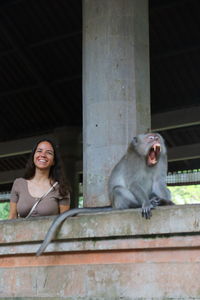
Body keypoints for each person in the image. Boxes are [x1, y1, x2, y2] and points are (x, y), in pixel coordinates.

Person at [9, 139, 71, 219]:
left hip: (49, 231)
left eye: (49, 153)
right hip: (22, 232)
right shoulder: (19, 184)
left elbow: (64, 222)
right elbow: (12, 217)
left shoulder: (62, 189)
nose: (43, 155)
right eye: (39, 151)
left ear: (53, 161)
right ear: (34, 156)